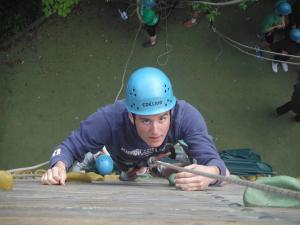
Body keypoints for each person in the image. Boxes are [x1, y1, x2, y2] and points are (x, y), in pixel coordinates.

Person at [41, 67, 229, 191]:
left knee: (173, 169)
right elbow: (69, 146)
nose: (156, 130)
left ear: (171, 111)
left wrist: (210, 174)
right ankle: (132, 171)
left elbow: (218, 166)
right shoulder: (109, 119)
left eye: (162, 118)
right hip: (124, 158)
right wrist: (58, 167)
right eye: (146, 121)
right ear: (131, 116)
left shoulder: (186, 116)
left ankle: (153, 169)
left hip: (159, 154)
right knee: (127, 175)